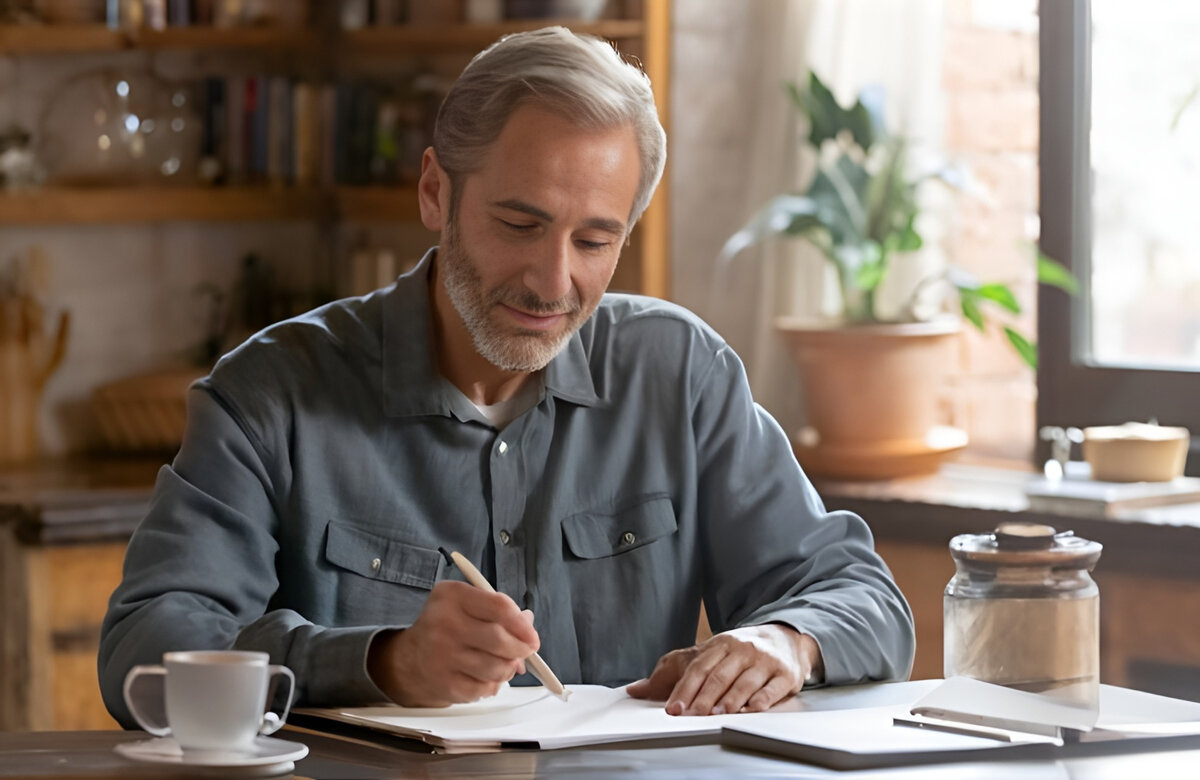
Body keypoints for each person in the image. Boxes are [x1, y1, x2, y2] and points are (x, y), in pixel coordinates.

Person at [99, 26, 914, 726]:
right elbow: (144, 651)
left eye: (594, 241)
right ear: (434, 192)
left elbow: (865, 600)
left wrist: (788, 640)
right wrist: (378, 664)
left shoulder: (681, 373)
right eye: (519, 224)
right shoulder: (270, 395)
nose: (552, 281)